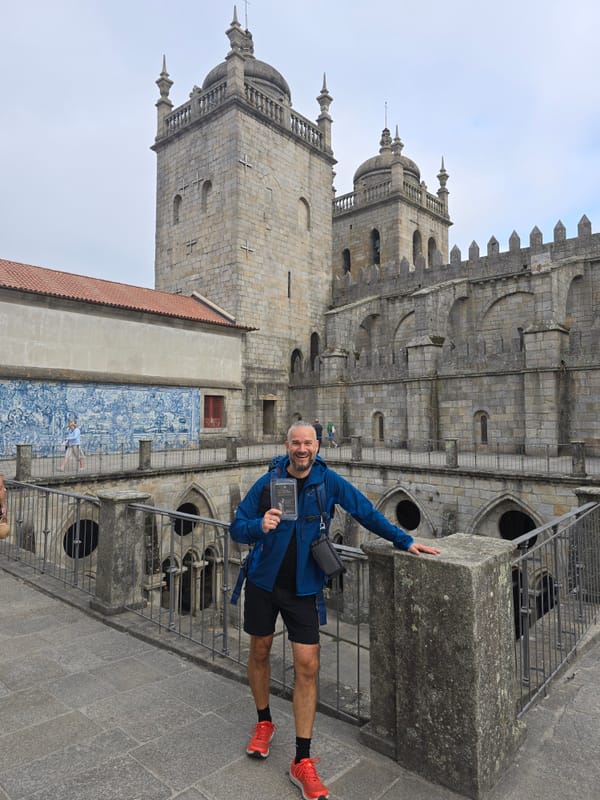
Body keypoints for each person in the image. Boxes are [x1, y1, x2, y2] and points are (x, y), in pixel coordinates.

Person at [229, 421, 440, 800]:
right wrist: (259, 526)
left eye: (308, 442)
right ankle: (264, 723)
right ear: (287, 445)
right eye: (296, 443)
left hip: (303, 588)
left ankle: (302, 759)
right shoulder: (267, 483)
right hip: (262, 582)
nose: (302, 449)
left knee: (308, 666)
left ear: (318, 445)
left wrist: (406, 540)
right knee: (259, 650)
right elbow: (236, 527)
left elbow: (365, 512)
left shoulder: (329, 482)